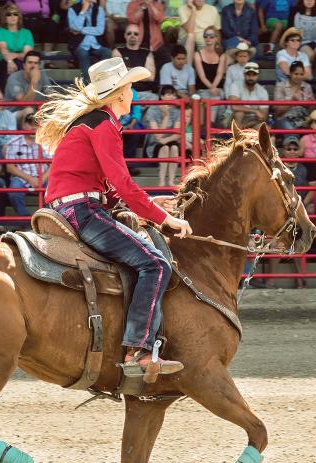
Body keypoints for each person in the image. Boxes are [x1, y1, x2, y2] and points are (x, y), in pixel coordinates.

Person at [36, 57, 191, 373]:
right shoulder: (104, 125)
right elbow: (122, 181)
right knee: (155, 264)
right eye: (131, 87)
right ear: (121, 93)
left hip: (70, 206)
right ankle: (139, 350)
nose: (134, 93)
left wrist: (150, 208)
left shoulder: (88, 123)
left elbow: (112, 186)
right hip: (83, 210)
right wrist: (165, 220)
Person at [4, 112, 47, 225]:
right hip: (21, 177)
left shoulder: (45, 141)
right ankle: (27, 220)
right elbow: (10, 168)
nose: (33, 127)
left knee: (54, 191)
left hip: (43, 175)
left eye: (36, 124)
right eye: (30, 124)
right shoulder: (13, 143)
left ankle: (48, 219)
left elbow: (53, 165)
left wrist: (41, 179)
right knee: (14, 193)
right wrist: (29, 179)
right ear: (23, 125)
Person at [144, 84, 181, 187]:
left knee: (174, 148)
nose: (172, 97)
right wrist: (166, 117)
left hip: (170, 141)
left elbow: (177, 133)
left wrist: (166, 140)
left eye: (174, 95)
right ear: (162, 96)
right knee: (164, 148)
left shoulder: (177, 111)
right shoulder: (153, 110)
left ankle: (171, 181)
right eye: (169, 94)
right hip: (154, 144)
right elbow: (157, 136)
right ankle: (161, 181)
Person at [67, 0, 113, 82]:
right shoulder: (72, 9)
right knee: (83, 53)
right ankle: (87, 84)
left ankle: (102, 81)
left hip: (96, 44)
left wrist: (80, 30)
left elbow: (100, 30)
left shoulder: (99, 9)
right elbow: (74, 27)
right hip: (79, 44)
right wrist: (83, 11)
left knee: (108, 52)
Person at [4, 51, 52, 124]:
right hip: (12, 115)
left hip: (35, 113)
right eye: (30, 62)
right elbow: (24, 104)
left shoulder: (42, 75)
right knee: (28, 110)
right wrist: (34, 82)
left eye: (36, 63)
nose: (33, 66)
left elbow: (51, 96)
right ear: (24, 65)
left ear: (39, 66)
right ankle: (29, 135)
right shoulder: (14, 78)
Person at [0, 3, 34, 84]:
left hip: (20, 63)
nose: (12, 16)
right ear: (5, 17)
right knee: (10, 69)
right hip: (2, 62)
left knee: (25, 68)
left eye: (15, 14)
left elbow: (27, 54)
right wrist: (10, 61)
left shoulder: (26, 32)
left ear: (19, 17)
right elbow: (3, 49)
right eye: (9, 14)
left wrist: (14, 56)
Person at [113, 24, 157, 99]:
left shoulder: (147, 53)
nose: (132, 35)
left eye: (136, 34)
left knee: (155, 98)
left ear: (139, 37)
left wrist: (127, 71)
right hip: (125, 93)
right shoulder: (117, 51)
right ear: (125, 36)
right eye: (129, 33)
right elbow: (118, 74)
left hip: (145, 93)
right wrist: (141, 72)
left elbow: (151, 77)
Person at [223, 61, 269, 128]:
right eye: (248, 74)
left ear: (258, 76)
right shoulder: (235, 85)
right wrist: (255, 111)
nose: (251, 77)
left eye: (254, 75)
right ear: (244, 75)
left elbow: (263, 116)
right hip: (232, 118)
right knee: (239, 113)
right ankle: (238, 137)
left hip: (253, 121)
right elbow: (234, 107)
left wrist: (247, 125)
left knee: (265, 128)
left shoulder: (263, 91)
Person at [273, 60, 313, 129]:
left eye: (301, 74)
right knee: (291, 130)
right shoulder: (281, 86)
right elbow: (277, 112)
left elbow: (312, 111)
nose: (299, 77)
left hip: (304, 118)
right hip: (284, 118)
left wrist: (310, 104)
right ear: (290, 73)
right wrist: (292, 101)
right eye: (296, 74)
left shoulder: (307, 86)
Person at [193, 27, 226, 101]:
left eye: (211, 36)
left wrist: (213, 88)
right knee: (214, 99)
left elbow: (219, 74)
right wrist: (212, 88)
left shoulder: (222, 55)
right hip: (202, 89)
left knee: (216, 97)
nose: (208, 38)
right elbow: (202, 77)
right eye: (205, 36)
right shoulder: (197, 54)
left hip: (218, 88)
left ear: (216, 38)